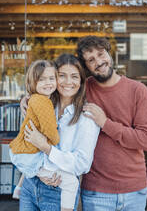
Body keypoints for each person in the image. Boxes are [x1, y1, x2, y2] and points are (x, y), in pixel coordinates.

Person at [76, 35, 147, 211]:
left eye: (101, 54)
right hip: (96, 191)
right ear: (86, 67)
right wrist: (28, 99)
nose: (99, 61)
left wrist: (105, 123)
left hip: (134, 190)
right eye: (91, 59)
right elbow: (54, 90)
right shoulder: (82, 90)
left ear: (109, 54)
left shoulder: (138, 90)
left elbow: (146, 140)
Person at [20, 53, 100, 211]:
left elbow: (82, 164)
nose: (68, 82)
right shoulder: (42, 104)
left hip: (59, 191)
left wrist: (47, 149)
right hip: (30, 185)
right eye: (61, 76)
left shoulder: (87, 116)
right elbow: (25, 145)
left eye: (74, 76)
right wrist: (38, 172)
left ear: (81, 81)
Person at [9, 59, 80, 211]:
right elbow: (51, 131)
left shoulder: (38, 99)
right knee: (71, 182)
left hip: (23, 152)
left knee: (41, 167)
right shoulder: (43, 102)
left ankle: (19, 188)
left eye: (51, 78)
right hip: (29, 154)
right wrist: (53, 140)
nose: (48, 83)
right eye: (41, 79)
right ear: (33, 82)